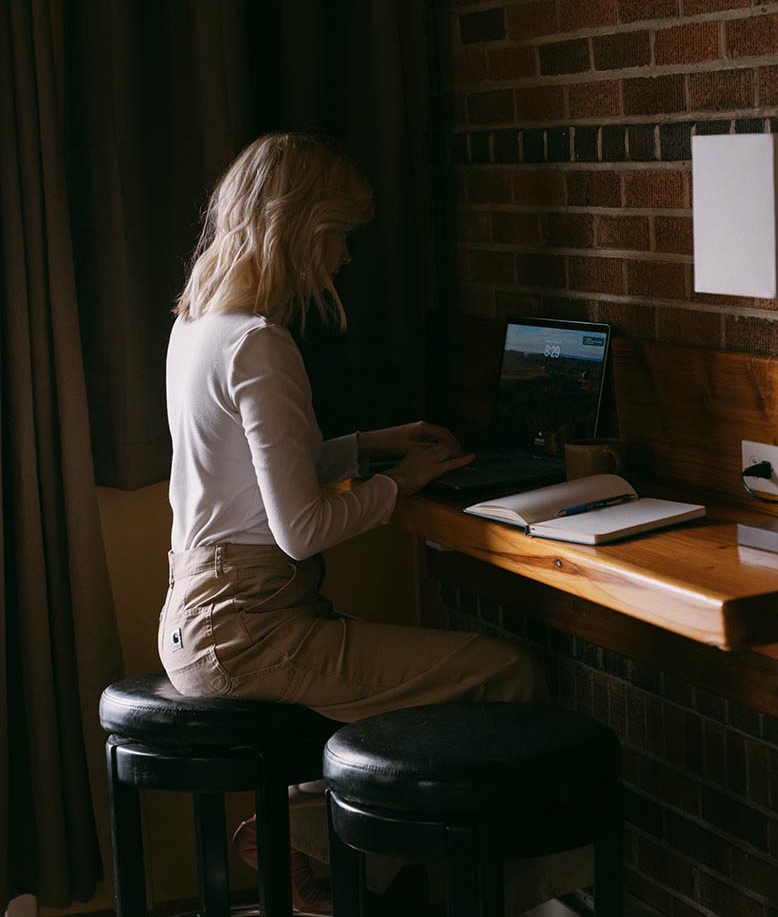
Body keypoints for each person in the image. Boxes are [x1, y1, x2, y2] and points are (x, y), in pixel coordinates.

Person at [160, 133, 591, 915]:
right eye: (338, 235)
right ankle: (532, 902)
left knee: (429, 684)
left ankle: (316, 836)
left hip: (198, 617)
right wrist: (402, 483)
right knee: (508, 674)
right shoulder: (259, 342)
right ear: (295, 226)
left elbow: (258, 475)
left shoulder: (199, 326)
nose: (344, 258)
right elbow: (300, 529)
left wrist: (368, 445)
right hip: (252, 628)